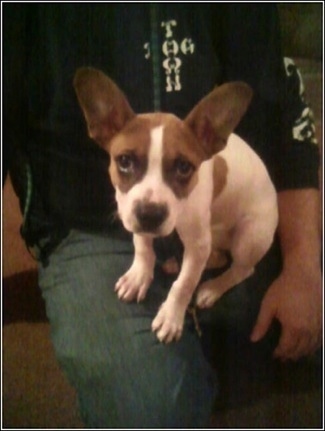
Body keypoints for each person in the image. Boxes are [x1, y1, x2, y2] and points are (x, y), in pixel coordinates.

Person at [3, 4, 322, 428]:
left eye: (181, 168)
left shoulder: (203, 144)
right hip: (79, 219)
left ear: (211, 140)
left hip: (229, 224)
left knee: (288, 346)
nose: (149, 199)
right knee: (153, 406)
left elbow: (281, 111)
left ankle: (233, 277)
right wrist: (145, 258)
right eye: (127, 165)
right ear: (100, 128)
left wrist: (303, 265)